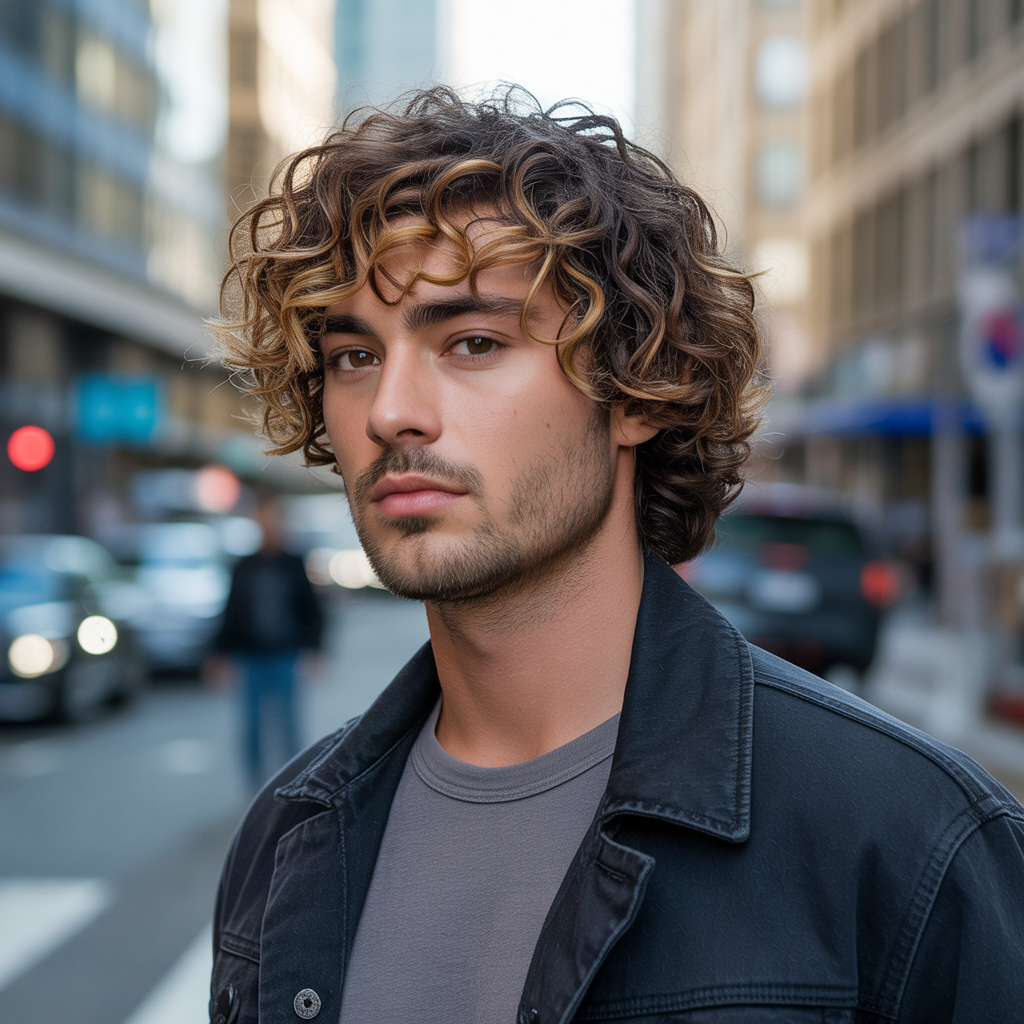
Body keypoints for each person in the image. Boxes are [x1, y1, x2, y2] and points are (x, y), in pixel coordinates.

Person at [207, 88, 1024, 1024]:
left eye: (473, 342)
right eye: (354, 356)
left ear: (637, 392)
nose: (390, 410)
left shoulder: (911, 841)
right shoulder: (288, 838)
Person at [211, 495, 323, 786]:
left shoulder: (294, 563)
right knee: (251, 728)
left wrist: (315, 650)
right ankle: (256, 789)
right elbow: (231, 612)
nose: (268, 525)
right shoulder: (244, 567)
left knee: (288, 725)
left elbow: (313, 610)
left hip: (285, 653)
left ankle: (294, 785)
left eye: (273, 519)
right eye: (262, 519)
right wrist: (219, 654)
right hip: (250, 657)